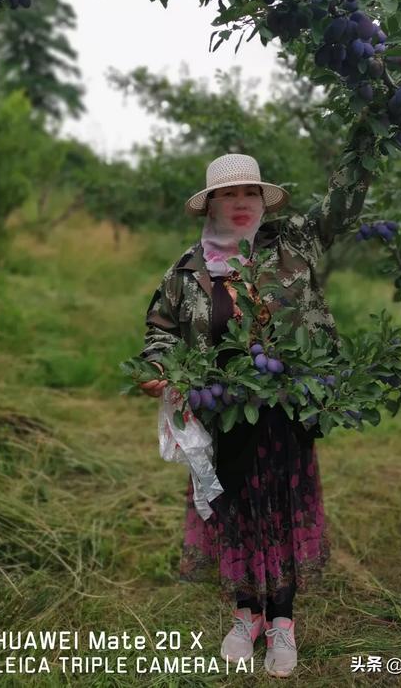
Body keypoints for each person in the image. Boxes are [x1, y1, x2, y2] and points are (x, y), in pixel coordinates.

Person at [139, 140, 374, 677]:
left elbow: (342, 209)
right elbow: (161, 331)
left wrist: (371, 132)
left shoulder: (293, 245)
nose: (241, 202)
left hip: (287, 412)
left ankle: (283, 623)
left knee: (283, 514)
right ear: (212, 204)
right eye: (228, 194)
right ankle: (247, 615)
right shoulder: (187, 270)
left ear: (265, 201)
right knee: (235, 512)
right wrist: (159, 368)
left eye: (250, 191)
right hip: (221, 416)